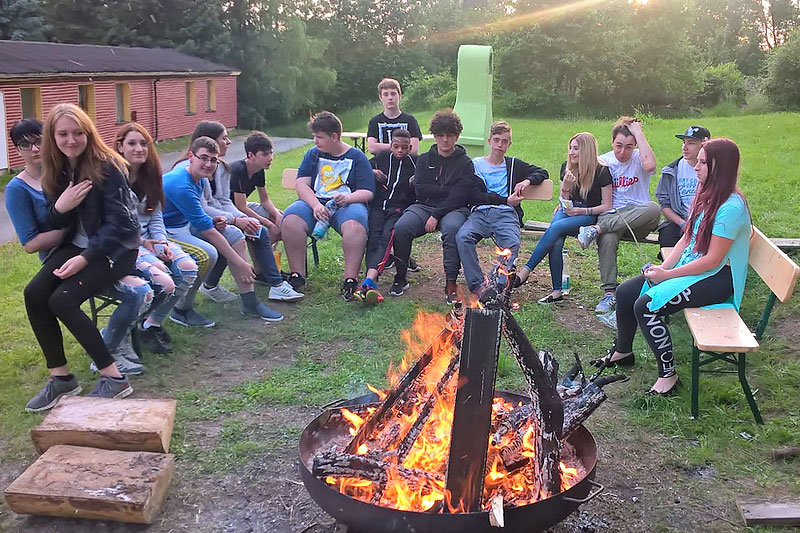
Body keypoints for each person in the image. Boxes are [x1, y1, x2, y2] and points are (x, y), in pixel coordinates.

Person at [591, 138, 751, 395]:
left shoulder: (731, 207)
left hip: (719, 277)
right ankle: (624, 352)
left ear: (718, 168)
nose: (695, 167)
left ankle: (669, 376)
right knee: (625, 293)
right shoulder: (706, 193)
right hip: (697, 268)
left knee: (646, 305)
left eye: (702, 162)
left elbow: (712, 260)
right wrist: (663, 268)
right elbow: (687, 237)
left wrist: (668, 275)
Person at [23, 103, 141, 410]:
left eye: (78, 133)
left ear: (89, 133)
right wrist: (61, 207)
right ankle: (61, 378)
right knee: (34, 293)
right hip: (78, 246)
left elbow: (123, 224)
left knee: (61, 299)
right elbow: (57, 221)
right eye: (63, 134)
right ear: (52, 136)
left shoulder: (107, 166)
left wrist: (86, 258)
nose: (71, 140)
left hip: (116, 249)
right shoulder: (57, 168)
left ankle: (113, 377)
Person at [163, 136, 284, 323]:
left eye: (213, 160)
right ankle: (181, 308)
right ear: (191, 156)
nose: (209, 164)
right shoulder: (182, 184)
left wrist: (218, 219)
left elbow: (208, 207)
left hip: (184, 225)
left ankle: (249, 302)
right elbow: (206, 229)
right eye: (203, 158)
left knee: (235, 235)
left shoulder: (201, 179)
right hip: (164, 230)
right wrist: (242, 264)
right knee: (208, 253)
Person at [181, 123, 301, 302]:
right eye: (224, 138)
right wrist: (236, 220)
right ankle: (254, 291)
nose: (229, 142)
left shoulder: (221, 167)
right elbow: (200, 207)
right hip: (191, 224)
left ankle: (273, 282)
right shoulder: (189, 168)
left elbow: (222, 201)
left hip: (215, 218)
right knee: (236, 234)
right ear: (208, 141)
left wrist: (242, 218)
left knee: (256, 228)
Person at [113, 122, 201, 355]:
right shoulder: (112, 180)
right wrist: (145, 244)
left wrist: (161, 242)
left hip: (152, 239)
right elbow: (116, 226)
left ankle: (151, 324)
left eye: (144, 144)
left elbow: (155, 217)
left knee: (189, 268)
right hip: (128, 244)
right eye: (132, 143)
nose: (139, 148)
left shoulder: (152, 178)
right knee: (165, 280)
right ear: (120, 147)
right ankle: (122, 332)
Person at [281, 111, 375, 301]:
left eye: (319, 137)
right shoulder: (313, 155)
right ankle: (297, 276)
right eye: (314, 136)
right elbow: (301, 184)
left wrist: (348, 198)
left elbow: (368, 192)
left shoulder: (357, 157)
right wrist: (315, 205)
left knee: (354, 226)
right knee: (291, 220)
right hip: (316, 202)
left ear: (334, 136)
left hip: (346, 204)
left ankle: (350, 279)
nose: (315, 141)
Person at [575, 117, 660, 314]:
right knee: (608, 237)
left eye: (629, 147)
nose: (623, 152)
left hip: (639, 218)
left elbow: (650, 167)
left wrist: (638, 132)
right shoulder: (604, 162)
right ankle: (610, 294)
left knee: (653, 208)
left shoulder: (640, 157)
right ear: (612, 142)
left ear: (635, 146)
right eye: (619, 146)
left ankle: (595, 229)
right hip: (612, 218)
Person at [389, 109, 475, 303]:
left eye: (449, 135)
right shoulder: (424, 160)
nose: (445, 140)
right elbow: (421, 190)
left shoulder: (465, 163)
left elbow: (460, 196)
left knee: (453, 229)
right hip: (423, 206)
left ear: (457, 136)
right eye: (440, 135)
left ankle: (451, 282)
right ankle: (400, 277)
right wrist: (447, 190)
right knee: (402, 227)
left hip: (454, 209)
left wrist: (437, 213)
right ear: (435, 136)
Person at [515, 132, 612, 303]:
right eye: (571, 148)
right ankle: (556, 291)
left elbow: (607, 206)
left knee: (556, 228)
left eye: (576, 149)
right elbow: (564, 201)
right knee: (557, 239)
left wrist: (583, 211)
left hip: (589, 215)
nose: (572, 152)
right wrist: (566, 188)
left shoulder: (602, 171)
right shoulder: (566, 167)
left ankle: (525, 272)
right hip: (568, 210)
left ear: (587, 151)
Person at [457, 121, 548, 298]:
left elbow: (542, 172)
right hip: (480, 213)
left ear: (509, 144)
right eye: (497, 140)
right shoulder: (475, 165)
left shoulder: (513, 164)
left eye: (504, 141)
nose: (500, 145)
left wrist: (527, 181)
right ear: (489, 141)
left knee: (512, 242)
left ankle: (497, 283)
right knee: (463, 237)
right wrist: (506, 199)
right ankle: (478, 285)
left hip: (506, 214)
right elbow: (474, 195)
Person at [354, 129, 418, 303]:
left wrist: (415, 181)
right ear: (390, 145)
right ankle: (372, 281)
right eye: (396, 146)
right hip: (377, 207)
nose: (399, 151)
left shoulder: (415, 164)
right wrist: (372, 173)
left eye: (404, 147)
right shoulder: (381, 158)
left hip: (397, 209)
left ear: (410, 147)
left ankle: (368, 281)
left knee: (386, 238)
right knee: (373, 238)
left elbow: (425, 181)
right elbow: (360, 167)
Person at [655, 126, 710, 249]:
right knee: (667, 234)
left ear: (704, 145)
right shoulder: (670, 171)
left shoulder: (714, 172)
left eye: (691, 143)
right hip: (679, 221)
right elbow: (664, 205)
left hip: (706, 221)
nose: (685, 147)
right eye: (684, 142)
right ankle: (669, 266)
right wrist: (683, 224)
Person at [229, 131, 283, 244]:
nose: (270, 158)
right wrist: (268, 224)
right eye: (265, 154)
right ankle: (262, 253)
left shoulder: (259, 170)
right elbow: (241, 207)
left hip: (241, 206)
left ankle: (269, 254)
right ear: (251, 155)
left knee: (279, 217)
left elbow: (265, 200)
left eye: (271, 153)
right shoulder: (237, 170)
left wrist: (277, 215)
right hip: (228, 209)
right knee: (265, 223)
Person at [367, 78, 423, 156]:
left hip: (405, 166)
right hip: (382, 165)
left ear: (399, 95)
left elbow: (413, 150)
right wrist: (401, 146)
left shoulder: (410, 120)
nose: (390, 98)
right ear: (380, 98)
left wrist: (381, 146)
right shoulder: (374, 121)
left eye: (393, 94)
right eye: (385, 94)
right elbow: (372, 148)